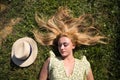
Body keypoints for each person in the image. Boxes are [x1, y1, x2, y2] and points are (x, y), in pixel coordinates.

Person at [33, 6, 107, 80]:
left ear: (73, 45)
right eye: (59, 45)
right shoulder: (51, 61)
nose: (62, 48)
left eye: (65, 44)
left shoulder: (84, 65)